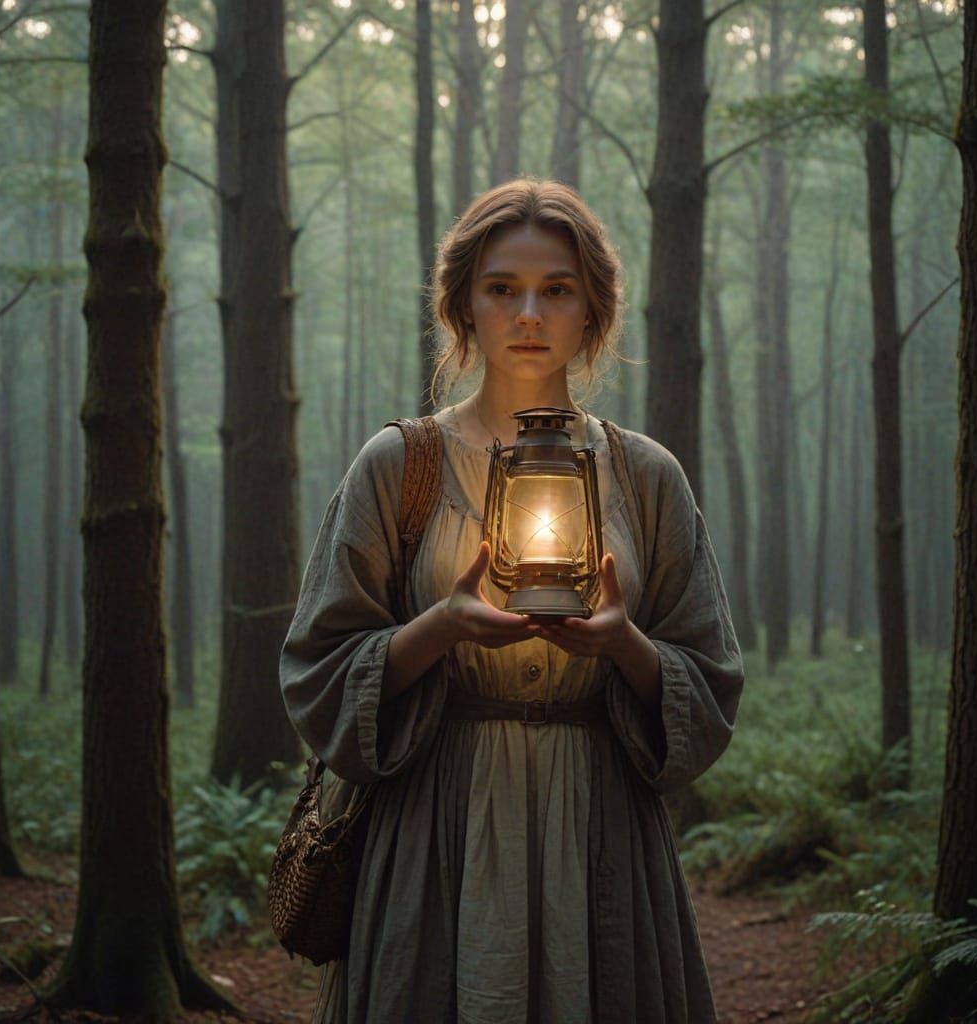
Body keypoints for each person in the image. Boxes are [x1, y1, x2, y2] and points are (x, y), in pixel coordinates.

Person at [280, 179, 744, 1024]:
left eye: (557, 290)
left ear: (594, 311)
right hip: (435, 833)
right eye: (502, 289)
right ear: (463, 306)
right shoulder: (399, 466)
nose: (529, 313)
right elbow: (317, 667)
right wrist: (439, 627)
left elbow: (709, 677)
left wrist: (624, 647)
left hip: (600, 836)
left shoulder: (645, 477)